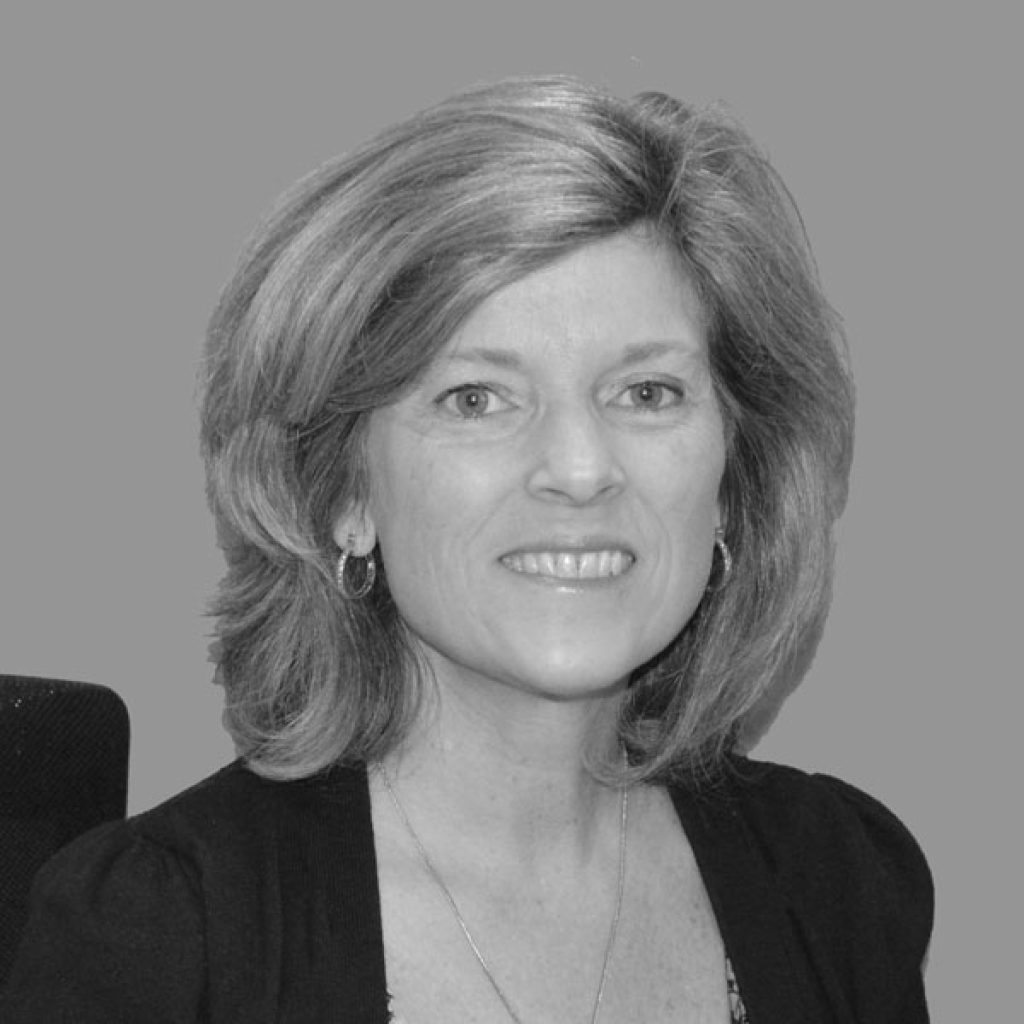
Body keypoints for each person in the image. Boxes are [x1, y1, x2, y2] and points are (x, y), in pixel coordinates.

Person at [1, 76, 932, 1022]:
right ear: (345, 494)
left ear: (736, 477)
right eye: (476, 399)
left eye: (647, 393)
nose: (579, 469)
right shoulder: (163, 932)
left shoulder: (839, 882)